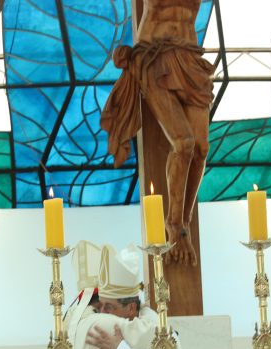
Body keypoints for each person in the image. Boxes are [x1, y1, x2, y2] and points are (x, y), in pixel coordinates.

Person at [100, 0, 214, 266]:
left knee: (201, 149)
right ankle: (174, 225)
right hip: (154, 59)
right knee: (184, 143)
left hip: (189, 60)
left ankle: (183, 222)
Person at [68, 244, 189, 349]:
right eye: (100, 306)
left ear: (131, 308)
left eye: (108, 306)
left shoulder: (154, 324)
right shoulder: (101, 322)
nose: (102, 312)